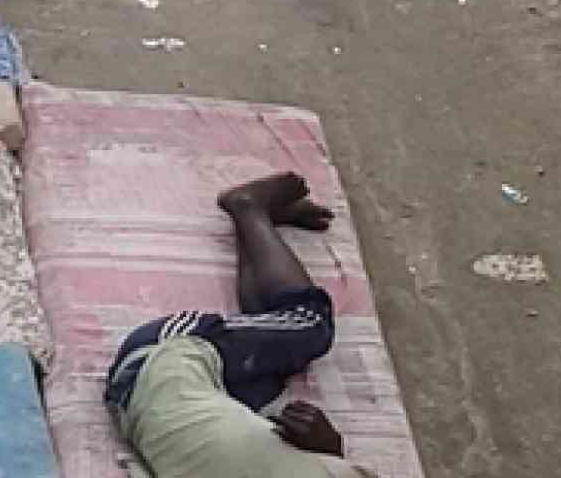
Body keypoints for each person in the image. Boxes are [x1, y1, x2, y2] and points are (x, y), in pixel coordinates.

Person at [105, 172, 371, 478]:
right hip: (135, 403)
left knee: (310, 323)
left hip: (159, 354)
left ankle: (248, 207)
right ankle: (259, 227)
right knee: (274, 370)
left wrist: (331, 450)